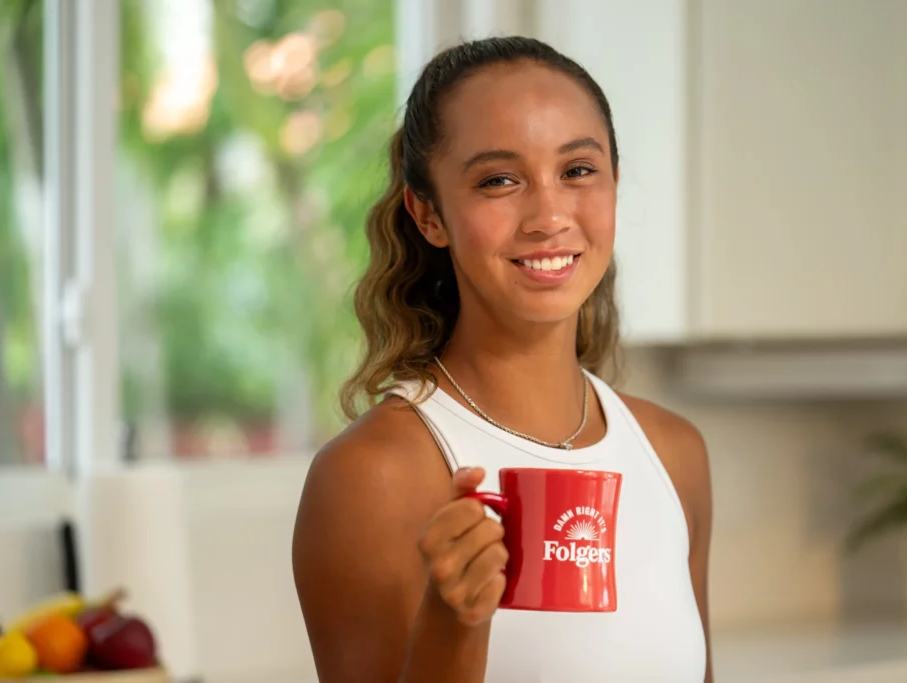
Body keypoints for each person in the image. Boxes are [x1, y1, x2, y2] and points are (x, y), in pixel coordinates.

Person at [292, 36, 713, 683]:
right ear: (428, 214)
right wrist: (453, 625)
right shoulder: (372, 477)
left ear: (615, 185)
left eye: (577, 170)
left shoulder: (674, 455)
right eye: (499, 180)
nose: (549, 215)